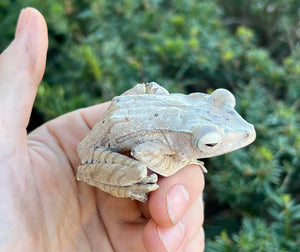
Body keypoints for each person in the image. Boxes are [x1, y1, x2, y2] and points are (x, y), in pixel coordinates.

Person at [0, 7, 205, 252]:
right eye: (209, 142)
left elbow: (150, 92)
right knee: (140, 170)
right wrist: (183, 160)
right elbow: (144, 154)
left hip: (120, 125)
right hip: (101, 150)